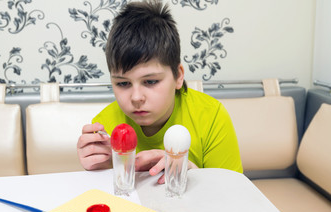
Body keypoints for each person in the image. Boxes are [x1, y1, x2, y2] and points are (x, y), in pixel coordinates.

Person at [77, 0, 243, 184]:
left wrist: (194, 175)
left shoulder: (211, 117)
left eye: (150, 81)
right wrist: (101, 169)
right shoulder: (105, 127)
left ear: (178, 76)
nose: (136, 97)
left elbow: (233, 195)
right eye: (123, 84)